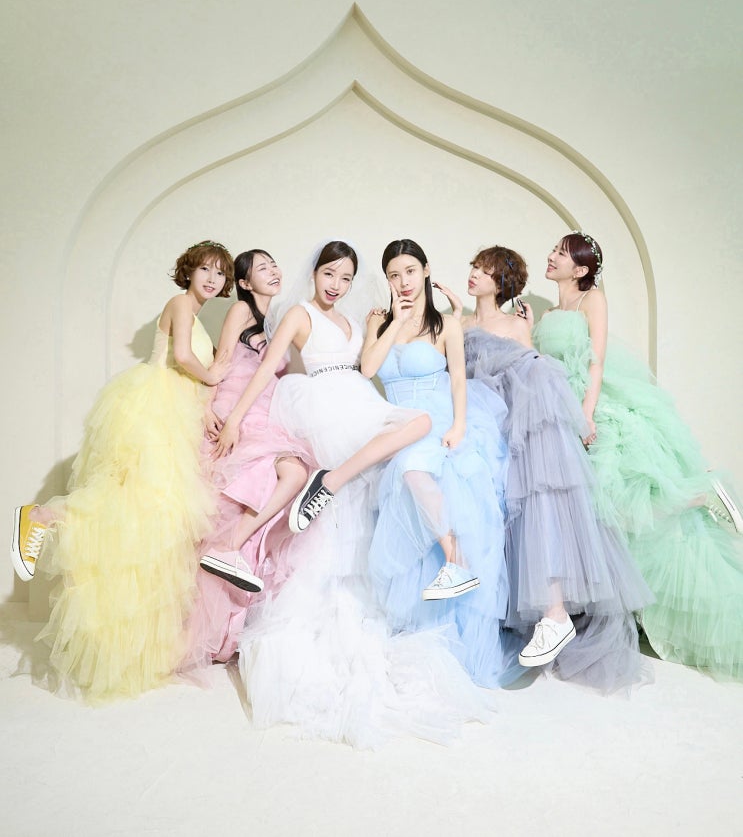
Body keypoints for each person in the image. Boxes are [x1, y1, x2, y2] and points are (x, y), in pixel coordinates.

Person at [229, 240, 493, 747]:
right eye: (330, 273)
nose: (337, 284)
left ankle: (332, 486)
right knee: (344, 516)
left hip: (363, 408)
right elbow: (336, 368)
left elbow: (380, 371)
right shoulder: (319, 315)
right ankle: (328, 496)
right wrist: (237, 416)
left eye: (347, 277)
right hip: (329, 407)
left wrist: (442, 318)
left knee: (371, 497)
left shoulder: (359, 320)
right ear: (315, 273)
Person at [11, 241, 234, 701]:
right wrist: (213, 375)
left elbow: (192, 372)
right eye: (205, 270)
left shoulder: (197, 316)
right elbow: (182, 357)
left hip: (176, 414)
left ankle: (132, 644)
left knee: (144, 517)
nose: (212, 279)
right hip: (154, 409)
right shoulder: (180, 304)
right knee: (130, 497)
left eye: (219, 273)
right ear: (189, 272)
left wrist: (207, 406)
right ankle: (41, 516)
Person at [533, 231, 743, 679]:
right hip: (560, 411)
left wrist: (587, 412)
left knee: (616, 501)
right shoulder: (549, 314)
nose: (551, 257)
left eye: (561, 254)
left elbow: (596, 360)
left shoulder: (592, 300)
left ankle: (701, 493)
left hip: (594, 408)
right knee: (597, 514)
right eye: (553, 250)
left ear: (581, 269)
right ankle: (699, 495)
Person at [460, 245, 652, 691]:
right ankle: (514, 615)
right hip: (481, 425)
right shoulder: (463, 324)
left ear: (500, 282)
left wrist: (582, 412)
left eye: (484, 269)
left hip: (521, 418)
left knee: (554, 499)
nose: (474, 274)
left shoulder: (520, 324)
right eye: (473, 267)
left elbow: (534, 370)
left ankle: (556, 612)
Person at [364, 239, 520, 687]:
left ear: (426, 271)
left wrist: (460, 426)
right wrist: (396, 322)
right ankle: (429, 615)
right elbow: (368, 369)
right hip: (396, 424)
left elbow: (457, 382)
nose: (403, 281)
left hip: (438, 421)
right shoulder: (379, 320)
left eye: (410, 271)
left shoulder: (447, 324)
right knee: (405, 492)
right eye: (394, 275)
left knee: (415, 471)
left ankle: (457, 561)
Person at [181, 249, 317, 672]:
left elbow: (289, 376)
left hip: (263, 414)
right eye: (262, 268)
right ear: (243, 282)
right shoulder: (241, 311)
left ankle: (231, 563)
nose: (274, 271)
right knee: (252, 491)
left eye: (274, 264)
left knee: (287, 478)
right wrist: (209, 409)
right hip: (236, 410)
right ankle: (218, 573)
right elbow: (220, 364)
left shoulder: (277, 323)